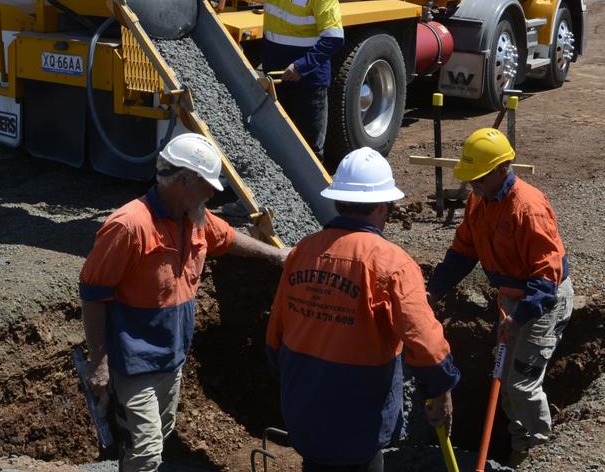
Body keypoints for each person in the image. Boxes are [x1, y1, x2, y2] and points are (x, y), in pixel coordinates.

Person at [79, 132, 288, 472]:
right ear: (183, 181)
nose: (211, 193)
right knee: (145, 454)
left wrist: (277, 256)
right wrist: (99, 362)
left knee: (161, 435)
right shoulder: (130, 226)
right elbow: (92, 291)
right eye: (206, 185)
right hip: (134, 365)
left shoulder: (195, 218)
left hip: (172, 359)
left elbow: (229, 239)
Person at [266, 147, 460, 471]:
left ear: (338, 200)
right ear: (383, 206)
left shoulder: (302, 252)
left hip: (303, 409)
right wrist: (442, 387)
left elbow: (274, 337)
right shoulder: (391, 264)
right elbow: (425, 342)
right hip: (358, 419)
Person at [425, 128, 574, 467]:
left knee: (521, 384)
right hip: (510, 300)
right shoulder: (480, 200)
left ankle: (537, 452)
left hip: (540, 303)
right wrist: (434, 290)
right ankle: (520, 442)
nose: (471, 184)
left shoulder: (528, 208)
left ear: (500, 169)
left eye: (477, 177)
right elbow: (462, 252)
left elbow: (545, 277)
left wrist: (517, 318)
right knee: (506, 382)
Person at [168, 0, 343, 156]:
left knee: (308, 149)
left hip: (308, 84)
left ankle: (309, 192)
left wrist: (301, 67)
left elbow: (333, 39)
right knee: (276, 143)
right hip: (275, 79)